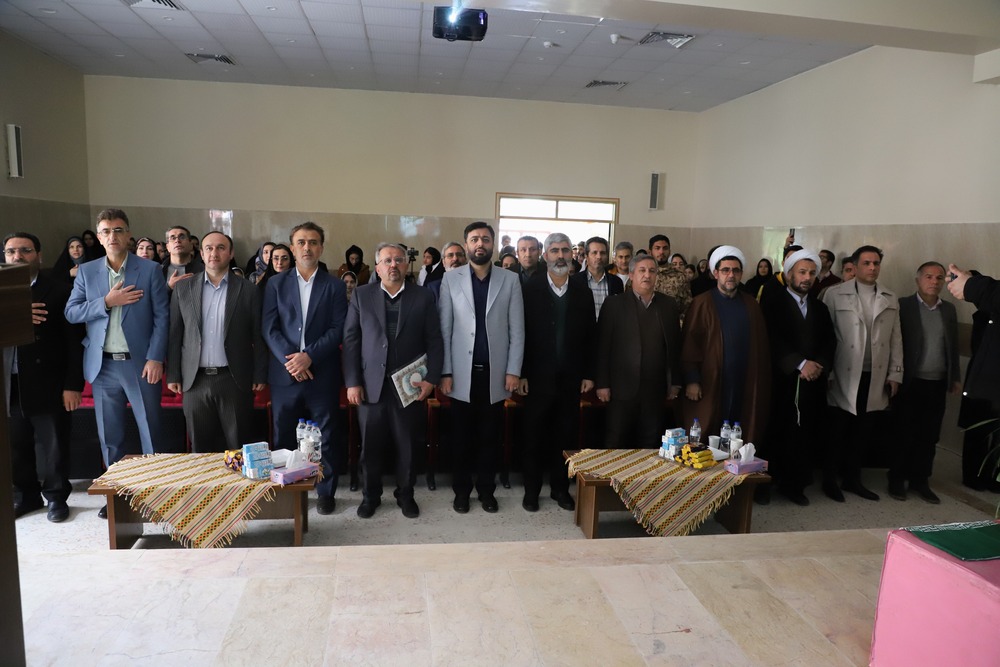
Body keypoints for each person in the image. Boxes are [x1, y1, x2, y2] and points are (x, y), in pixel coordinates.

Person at [64, 209, 169, 518]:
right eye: (106, 231)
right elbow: (71, 313)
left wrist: (155, 357)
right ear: (99, 237)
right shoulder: (87, 272)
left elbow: (163, 318)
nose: (113, 236)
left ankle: (155, 495)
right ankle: (117, 496)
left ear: (128, 235)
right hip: (103, 366)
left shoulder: (150, 269)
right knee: (110, 437)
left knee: (151, 431)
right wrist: (106, 303)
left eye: (118, 230)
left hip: (140, 364)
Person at [343, 242, 443, 519]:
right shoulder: (362, 295)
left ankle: (406, 495)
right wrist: (352, 381)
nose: (393, 265)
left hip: (409, 387)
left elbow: (434, 339)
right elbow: (351, 341)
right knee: (370, 447)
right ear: (377, 267)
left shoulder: (422, 296)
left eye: (398, 260)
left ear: (406, 265)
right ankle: (370, 496)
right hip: (370, 386)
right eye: (387, 261)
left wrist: (432, 379)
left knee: (408, 446)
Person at [438, 221, 524, 513]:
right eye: (474, 239)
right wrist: (446, 371)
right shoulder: (450, 279)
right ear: (466, 245)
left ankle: (487, 491)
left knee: (491, 438)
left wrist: (513, 370)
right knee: (461, 439)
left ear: (493, 244)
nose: (480, 244)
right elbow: (445, 329)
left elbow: (517, 330)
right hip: (460, 374)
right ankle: (461, 492)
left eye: (485, 239)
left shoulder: (510, 280)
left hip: (495, 374)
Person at [262, 222, 348, 515]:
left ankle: (325, 492)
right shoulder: (276, 284)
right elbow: (269, 327)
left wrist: (309, 356)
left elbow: (338, 328)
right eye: (301, 242)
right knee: (284, 436)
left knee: (326, 436)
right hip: (285, 375)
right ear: (292, 247)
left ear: (321, 248)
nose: (307, 248)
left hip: (321, 373)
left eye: (313, 242)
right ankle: (289, 494)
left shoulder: (334, 285)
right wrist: (293, 361)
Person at [3, 232, 84, 523]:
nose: (17, 257)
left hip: (49, 381)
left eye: (25, 250)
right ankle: (25, 496)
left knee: (54, 445)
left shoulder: (59, 290)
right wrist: (13, 314)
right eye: (11, 251)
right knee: (15, 445)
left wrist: (73, 384)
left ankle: (56, 497)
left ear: (39, 255)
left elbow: (75, 343)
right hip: (9, 383)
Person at [166, 231, 267, 452]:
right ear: (201, 254)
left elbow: (258, 335)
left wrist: (259, 374)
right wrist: (173, 374)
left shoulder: (248, 290)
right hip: (195, 381)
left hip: (234, 379)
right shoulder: (183, 289)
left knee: (239, 446)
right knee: (200, 447)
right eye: (209, 248)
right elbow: (175, 334)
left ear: (230, 253)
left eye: (221, 248)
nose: (214, 253)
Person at [519, 233, 595, 511]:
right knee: (533, 437)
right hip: (536, 379)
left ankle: (560, 490)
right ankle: (531, 491)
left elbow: (591, 336)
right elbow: (520, 334)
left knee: (565, 437)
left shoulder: (583, 291)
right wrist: (521, 373)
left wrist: (588, 373)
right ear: (545, 256)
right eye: (554, 251)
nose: (560, 255)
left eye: (564, 250)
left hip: (570, 379)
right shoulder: (529, 289)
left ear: (571, 255)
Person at [822, 245, 903, 502]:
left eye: (876, 263)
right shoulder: (835, 294)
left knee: (863, 431)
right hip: (843, 373)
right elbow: (825, 335)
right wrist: (827, 371)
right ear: (855, 266)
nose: (872, 267)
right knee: (837, 429)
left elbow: (896, 338)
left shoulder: (890, 297)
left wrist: (895, 373)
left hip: (874, 374)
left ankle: (852, 478)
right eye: (866, 263)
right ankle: (829, 479)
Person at [760, 249, 835, 506]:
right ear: (789, 274)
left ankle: (794, 485)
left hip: (811, 382)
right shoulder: (772, 303)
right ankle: (764, 485)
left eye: (812, 273)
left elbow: (830, 341)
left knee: (803, 434)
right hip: (780, 381)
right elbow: (770, 338)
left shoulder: (820, 307)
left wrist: (818, 365)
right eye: (802, 272)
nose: (807, 278)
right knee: (774, 431)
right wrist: (799, 363)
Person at [681, 245, 771, 448]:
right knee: (707, 433)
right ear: (715, 273)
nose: (731, 275)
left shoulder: (751, 305)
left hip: (743, 381)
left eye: (736, 270)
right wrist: (692, 380)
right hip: (710, 382)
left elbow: (761, 348)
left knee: (739, 431)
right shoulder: (701, 303)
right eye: (725, 270)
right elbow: (690, 344)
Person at [887, 261, 960, 504]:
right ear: (918, 280)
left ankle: (920, 480)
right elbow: (894, 342)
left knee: (929, 435)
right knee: (903, 432)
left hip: (937, 382)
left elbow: (953, 346)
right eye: (928, 276)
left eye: (939, 278)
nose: (934, 282)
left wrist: (955, 376)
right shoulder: (903, 305)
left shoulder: (948, 310)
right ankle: (897, 478)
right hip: (910, 381)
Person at [595, 255, 682, 449]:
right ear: (631, 275)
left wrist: (674, 381)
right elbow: (603, 346)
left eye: (652, 271)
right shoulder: (614, 304)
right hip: (621, 388)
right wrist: (602, 384)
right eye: (642, 271)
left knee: (650, 442)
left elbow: (674, 346)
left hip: (655, 388)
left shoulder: (668, 305)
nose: (647, 275)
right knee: (617, 440)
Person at [946, 264, 1000, 491]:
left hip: (991, 381)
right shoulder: (983, 316)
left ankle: (992, 477)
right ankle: (973, 476)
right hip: (982, 380)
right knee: (977, 432)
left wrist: (974, 286)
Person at [570, 236, 623, 321]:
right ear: (586, 256)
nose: (599, 257)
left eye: (602, 253)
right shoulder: (574, 281)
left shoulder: (616, 282)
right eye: (594, 253)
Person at [649, 234, 692, 312]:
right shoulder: (644, 274)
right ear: (650, 252)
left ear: (669, 251)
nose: (661, 252)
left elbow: (687, 306)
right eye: (657, 248)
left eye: (665, 248)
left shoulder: (680, 276)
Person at [161, 225, 204, 291]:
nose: (177, 240)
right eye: (173, 238)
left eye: (182, 237)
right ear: (168, 247)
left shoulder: (203, 269)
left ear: (191, 245)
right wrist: (169, 287)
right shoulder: (159, 270)